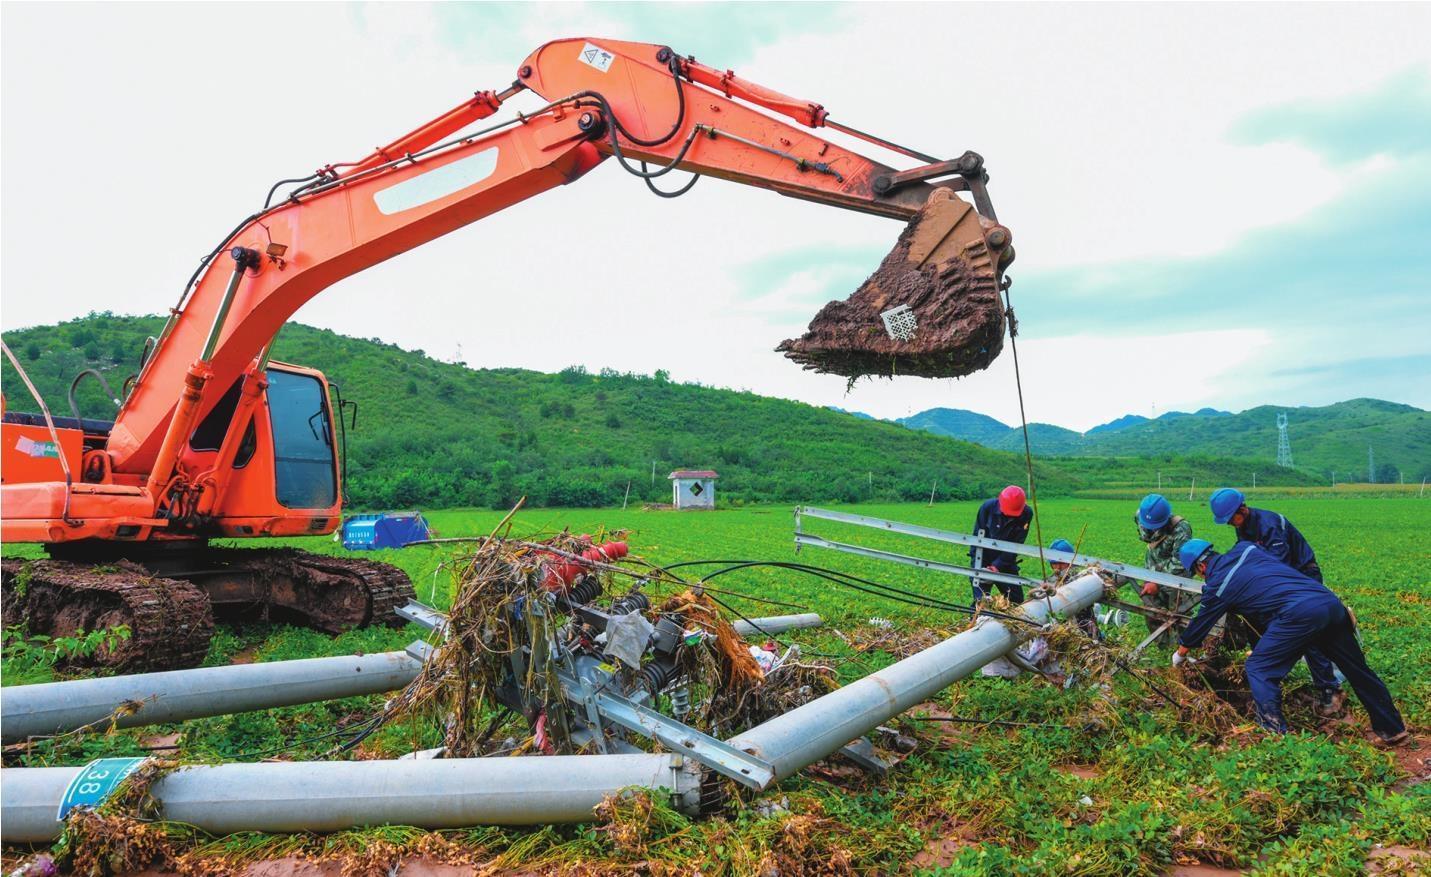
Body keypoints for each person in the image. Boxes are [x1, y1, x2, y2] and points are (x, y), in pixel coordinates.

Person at [1173, 539, 1408, 746]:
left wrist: (1180, 654)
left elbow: (1199, 625)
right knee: (1358, 670)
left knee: (1259, 667)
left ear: (1201, 567)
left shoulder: (1218, 585)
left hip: (1299, 614)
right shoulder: (1247, 549)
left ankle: (1275, 734)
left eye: (1198, 573)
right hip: (1328, 602)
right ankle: (1392, 729)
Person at [1208, 487, 1345, 715]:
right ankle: (1269, 677)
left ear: (1242, 509)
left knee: (1308, 633)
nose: (1230, 523)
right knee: (1256, 624)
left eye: (1231, 518)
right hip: (1278, 581)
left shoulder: (1270, 525)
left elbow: (1276, 566)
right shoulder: (1243, 527)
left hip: (1301, 576)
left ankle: (1330, 689)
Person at [1131, 493, 1197, 646]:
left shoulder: (1181, 529)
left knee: (1180, 613)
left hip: (1177, 578)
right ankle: (1163, 646)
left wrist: (1158, 583)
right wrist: (1151, 578)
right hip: (1152, 571)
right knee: (1152, 609)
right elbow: (1146, 538)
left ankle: (1183, 647)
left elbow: (1179, 563)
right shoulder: (1140, 517)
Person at [968, 485, 1032, 603]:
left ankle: (1008, 614)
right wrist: (979, 565)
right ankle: (976, 614)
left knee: (1016, 600)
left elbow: (1017, 543)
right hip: (983, 557)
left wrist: (998, 565)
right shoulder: (987, 508)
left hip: (1006, 558)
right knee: (982, 600)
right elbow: (977, 537)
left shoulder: (1026, 513)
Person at [1049, 537, 1101, 639]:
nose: (1058, 567)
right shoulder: (1051, 582)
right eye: (1054, 563)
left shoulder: (1080, 579)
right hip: (1063, 631)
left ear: (1071, 561)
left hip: (1084, 626)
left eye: (1061, 562)